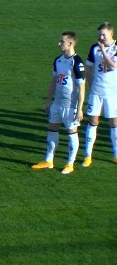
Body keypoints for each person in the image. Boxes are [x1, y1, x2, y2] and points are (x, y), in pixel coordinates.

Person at [32, 31, 85, 174]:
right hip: (57, 104)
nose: (59, 43)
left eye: (62, 41)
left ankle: (70, 163)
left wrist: (79, 109)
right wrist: (48, 101)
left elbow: (81, 88)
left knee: (72, 134)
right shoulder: (58, 60)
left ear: (70, 43)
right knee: (51, 131)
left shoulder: (77, 62)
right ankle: (48, 160)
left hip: (70, 106)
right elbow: (54, 81)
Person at [82, 22, 117, 166]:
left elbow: (113, 65)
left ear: (111, 34)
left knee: (114, 123)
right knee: (93, 122)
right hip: (96, 92)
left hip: (112, 92)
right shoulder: (94, 48)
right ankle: (87, 155)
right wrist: (91, 85)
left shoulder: (115, 48)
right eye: (99, 35)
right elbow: (88, 68)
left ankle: (116, 154)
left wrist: (103, 51)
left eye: (103, 34)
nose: (101, 37)